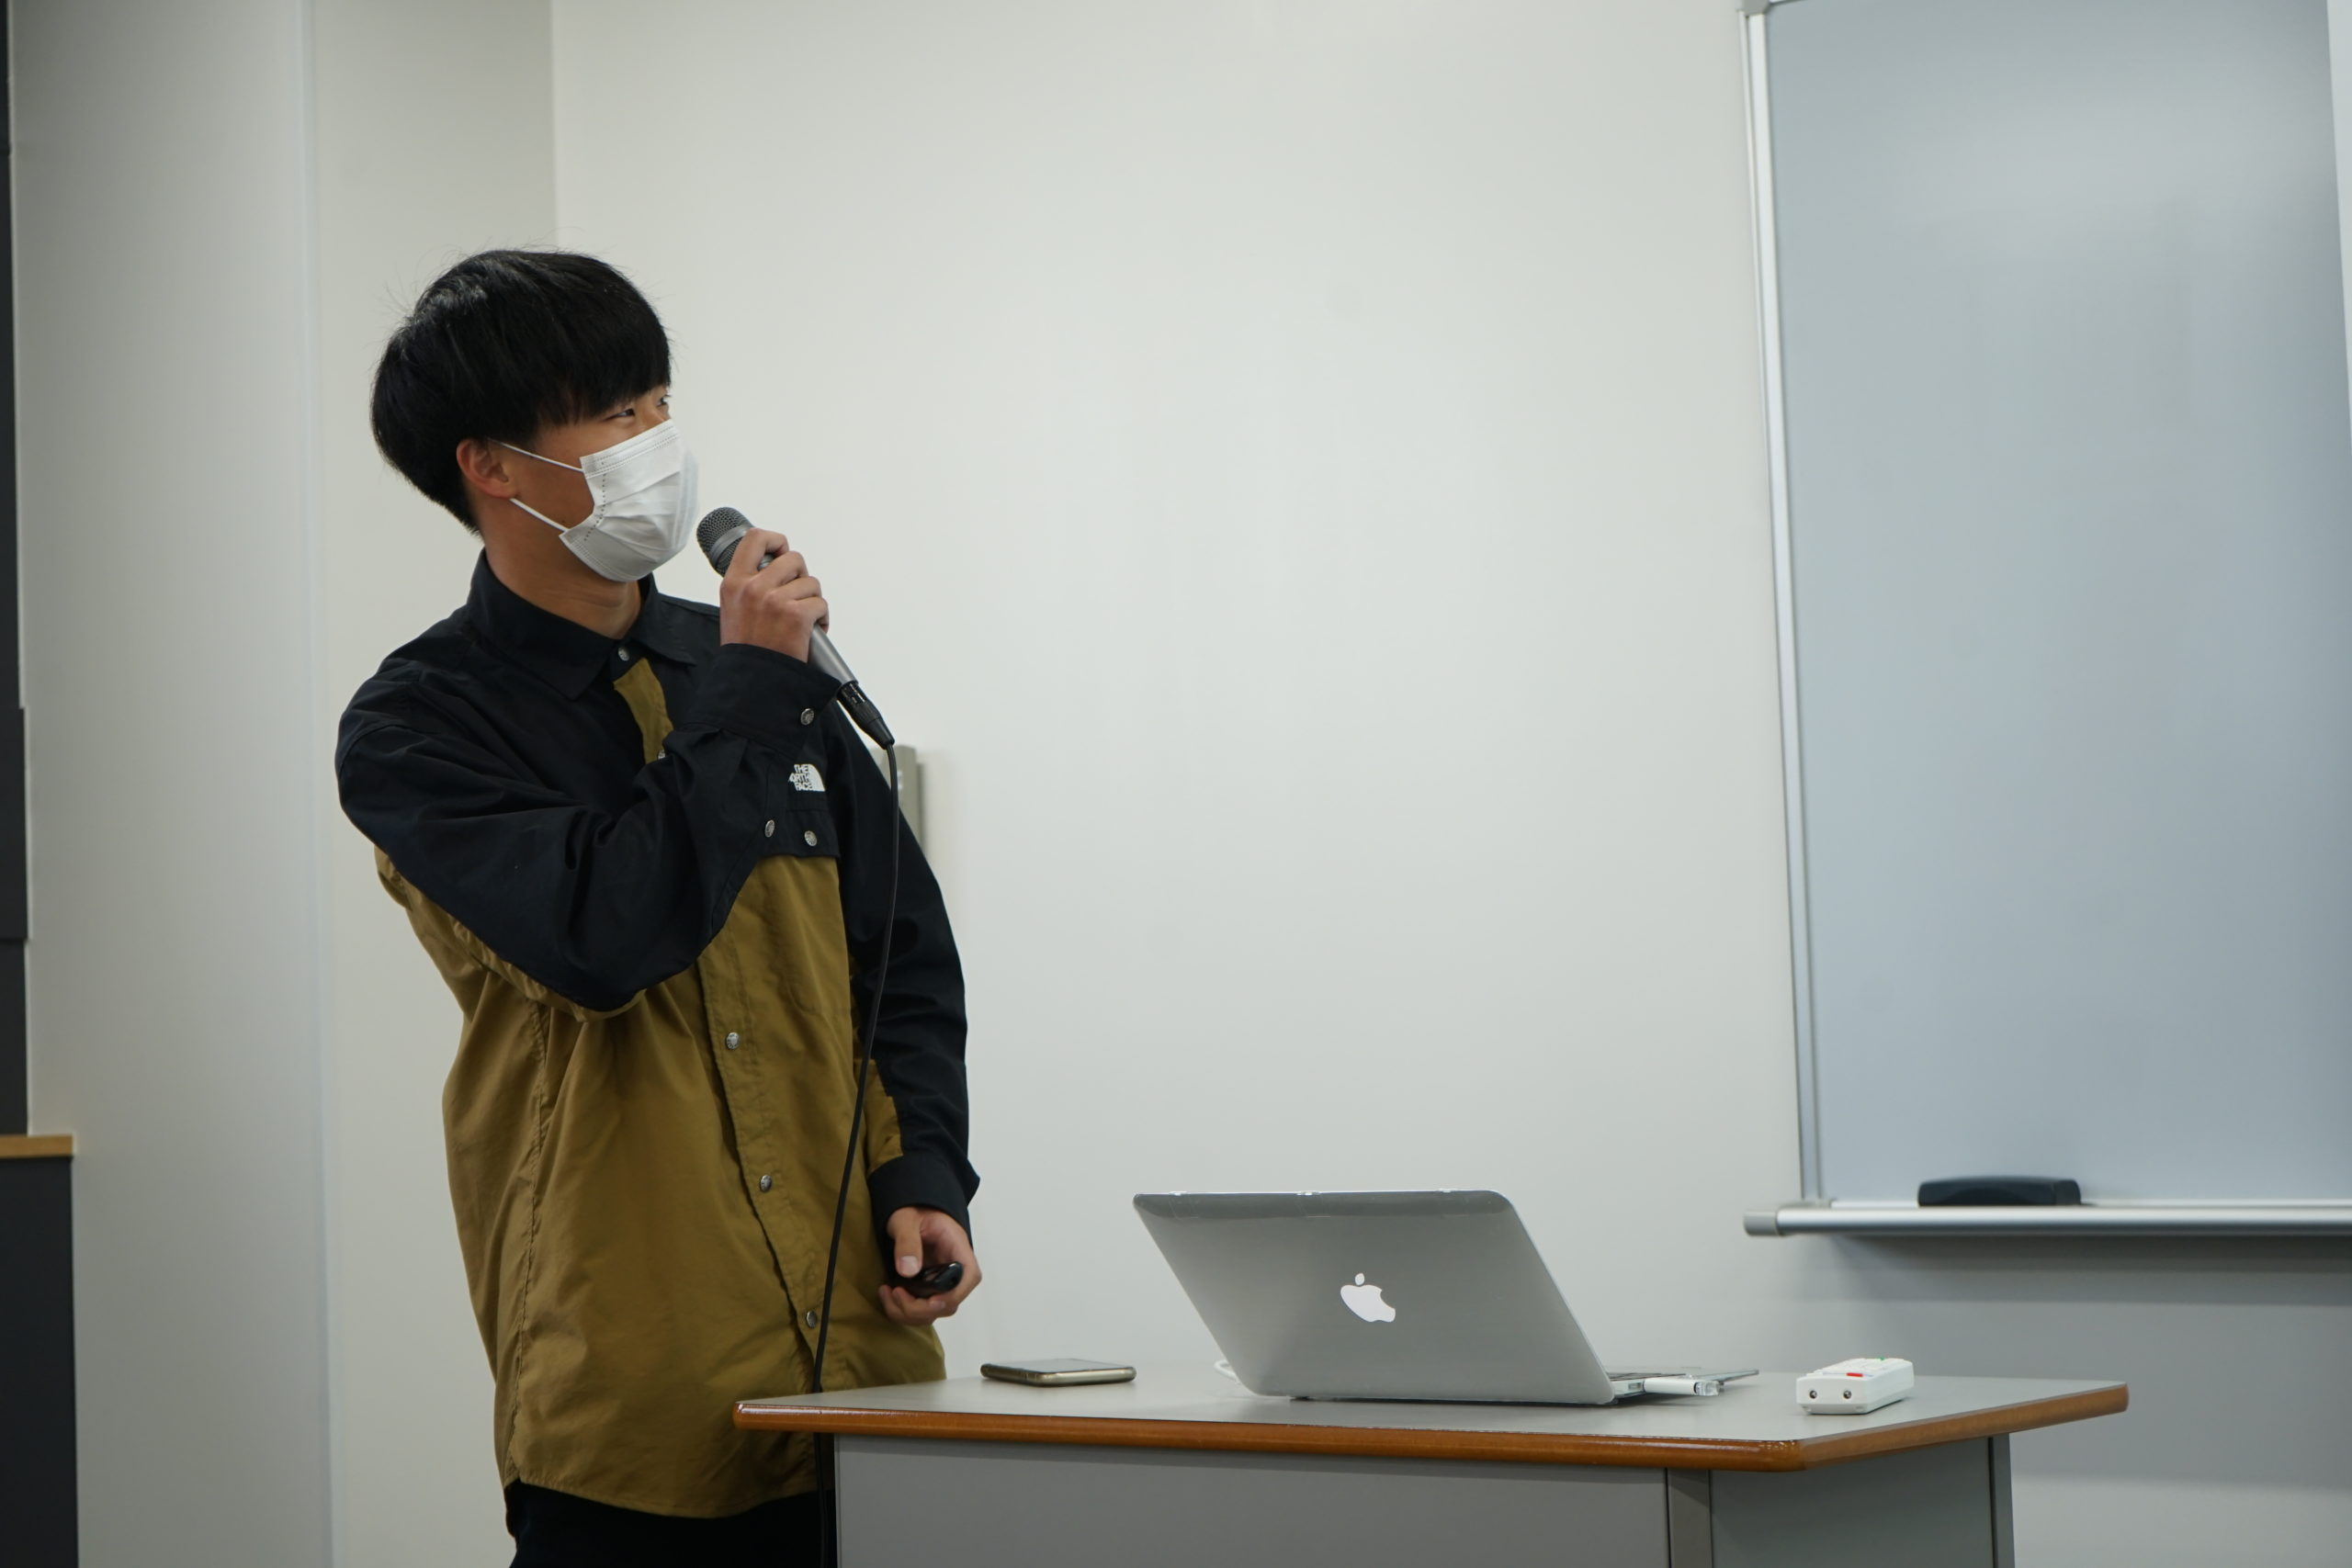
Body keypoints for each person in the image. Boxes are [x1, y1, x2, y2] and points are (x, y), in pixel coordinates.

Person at [336, 249, 978, 1566]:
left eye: (659, 403)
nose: (656, 442)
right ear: (493, 467)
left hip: (860, 1360)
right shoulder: (421, 725)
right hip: (638, 1387)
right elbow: (604, 937)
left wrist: (925, 1170)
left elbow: (900, 957)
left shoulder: (757, 673)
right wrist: (746, 699)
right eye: (613, 412)